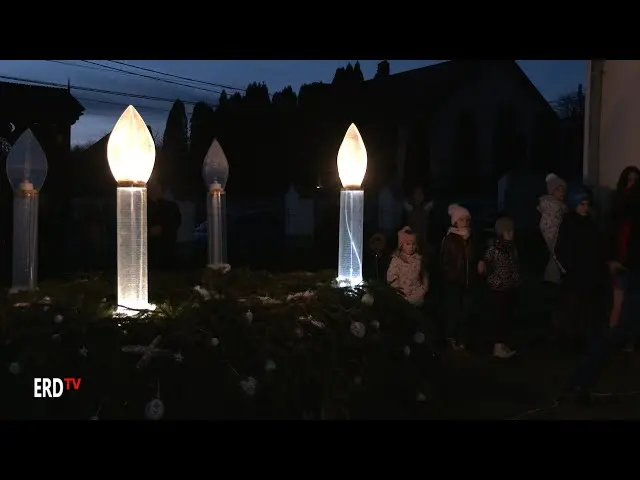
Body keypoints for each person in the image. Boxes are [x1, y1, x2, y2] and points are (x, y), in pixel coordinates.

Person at [555, 188, 606, 349]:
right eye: (581, 204)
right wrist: (569, 267)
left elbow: (597, 247)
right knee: (572, 308)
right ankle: (570, 339)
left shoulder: (590, 222)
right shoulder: (570, 222)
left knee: (585, 308)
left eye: (586, 204)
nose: (585, 208)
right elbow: (562, 248)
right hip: (575, 274)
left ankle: (581, 338)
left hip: (588, 273)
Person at [441, 204, 483, 352]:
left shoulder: (470, 238)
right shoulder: (450, 239)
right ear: (455, 222)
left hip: (468, 281)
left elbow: (474, 257)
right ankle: (451, 338)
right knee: (453, 310)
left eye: (466, 219)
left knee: (465, 311)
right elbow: (445, 261)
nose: (464, 221)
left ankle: (462, 339)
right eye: (461, 219)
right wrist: (451, 276)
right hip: (454, 281)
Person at [483, 216, 520, 358]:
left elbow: (515, 266)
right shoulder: (494, 248)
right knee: (498, 317)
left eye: (511, 231)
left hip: (510, 287)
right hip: (498, 288)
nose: (511, 233)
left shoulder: (512, 248)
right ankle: (496, 346)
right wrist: (495, 280)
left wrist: (516, 280)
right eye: (508, 231)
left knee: (506, 317)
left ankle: (502, 344)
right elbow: (486, 266)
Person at [609, 166, 640, 333]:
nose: (631, 185)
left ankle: (627, 338)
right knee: (619, 303)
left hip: (632, 260)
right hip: (621, 260)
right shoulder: (617, 208)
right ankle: (614, 335)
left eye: (635, 182)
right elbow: (610, 235)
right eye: (629, 181)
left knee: (632, 303)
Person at [538, 173, 568, 285]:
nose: (562, 192)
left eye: (563, 189)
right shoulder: (553, 210)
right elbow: (553, 240)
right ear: (552, 191)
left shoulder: (559, 208)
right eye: (558, 189)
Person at [387, 227, 428, 307]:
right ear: (401, 245)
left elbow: (424, 276)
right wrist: (398, 293)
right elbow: (391, 278)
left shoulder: (418, 259)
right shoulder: (396, 260)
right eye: (408, 244)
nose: (411, 247)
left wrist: (423, 289)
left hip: (418, 297)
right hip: (402, 299)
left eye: (413, 244)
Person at [147, 179, 181, 270]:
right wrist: (149, 231)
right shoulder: (142, 205)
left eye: (158, 186)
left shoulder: (170, 206)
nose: (157, 189)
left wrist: (164, 229)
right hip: (150, 251)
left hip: (167, 250)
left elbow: (176, 222)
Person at [402, 186, 435, 259]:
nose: (418, 196)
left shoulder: (427, 210)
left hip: (424, 244)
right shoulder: (408, 210)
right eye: (416, 194)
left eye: (420, 194)